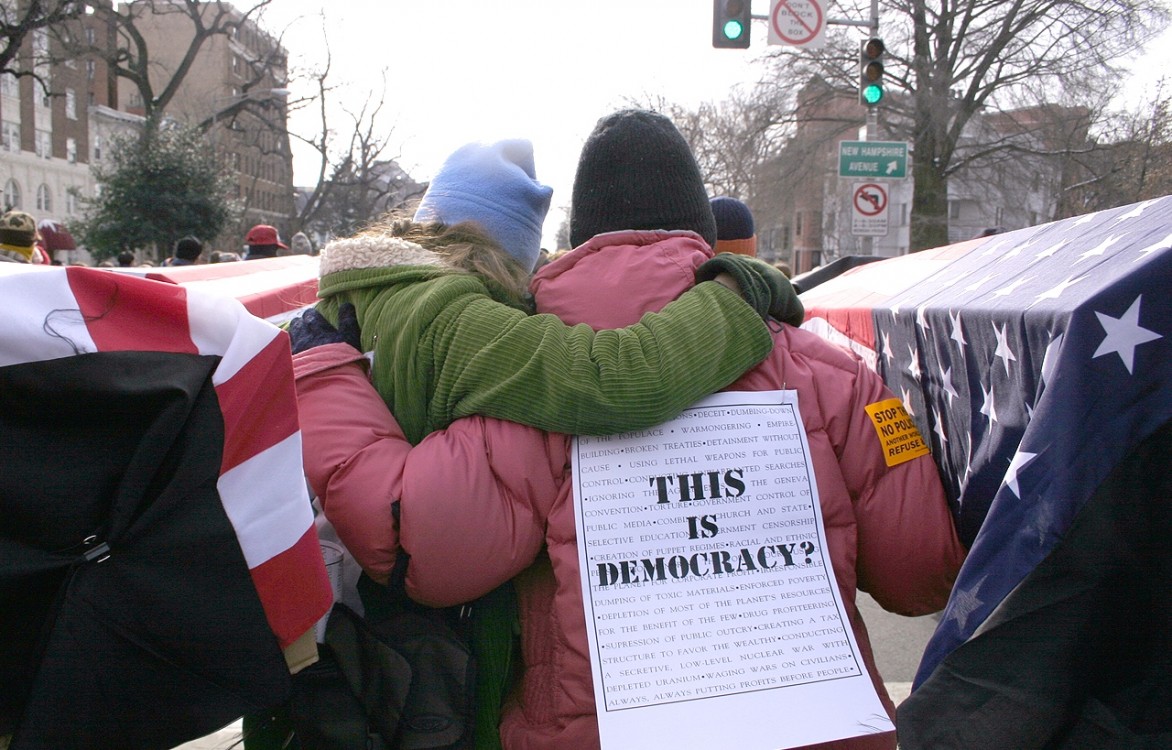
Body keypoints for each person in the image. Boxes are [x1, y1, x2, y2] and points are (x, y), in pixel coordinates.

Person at [294, 109, 964, 749]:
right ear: (701, 231)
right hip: (813, 728)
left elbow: (430, 554)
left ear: (581, 236)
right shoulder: (835, 374)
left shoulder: (533, 380)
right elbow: (921, 575)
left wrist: (323, 371)